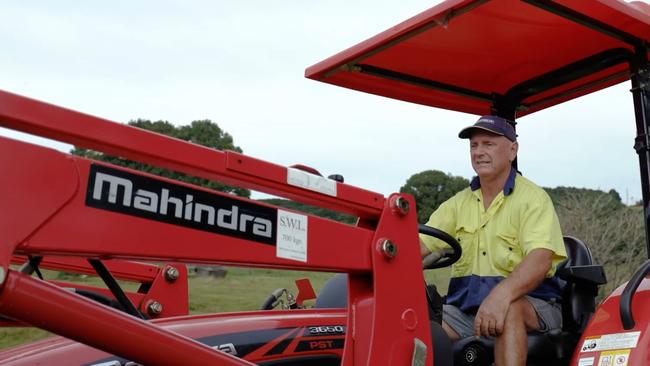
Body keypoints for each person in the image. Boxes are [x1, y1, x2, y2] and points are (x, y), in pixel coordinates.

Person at [419, 115, 567, 366]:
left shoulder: (533, 199)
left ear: (512, 150)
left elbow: (540, 259)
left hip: (533, 305)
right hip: (466, 313)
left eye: (488, 144)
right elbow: (419, 245)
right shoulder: (457, 204)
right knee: (415, 331)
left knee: (509, 308)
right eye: (474, 146)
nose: (479, 152)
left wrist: (501, 296)